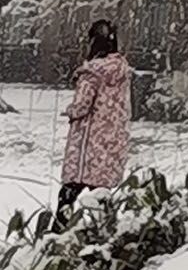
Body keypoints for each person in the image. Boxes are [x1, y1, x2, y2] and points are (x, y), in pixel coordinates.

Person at [57, 17, 133, 211]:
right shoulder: (122, 71)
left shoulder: (91, 74)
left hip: (88, 142)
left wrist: (71, 111)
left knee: (70, 191)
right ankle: (105, 230)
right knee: (100, 192)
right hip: (112, 138)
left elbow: (82, 106)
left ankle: (59, 230)